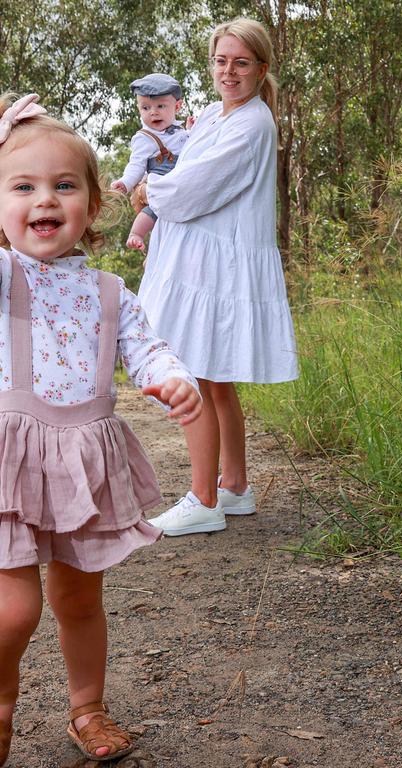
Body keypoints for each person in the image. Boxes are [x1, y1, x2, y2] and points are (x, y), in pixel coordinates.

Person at [0, 92, 202, 767]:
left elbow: (147, 348)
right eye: (24, 187)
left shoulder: (112, 292)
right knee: (12, 612)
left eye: (63, 185)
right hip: (7, 465)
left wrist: (172, 380)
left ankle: (87, 706)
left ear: (90, 205)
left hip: (85, 462)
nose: (45, 200)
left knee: (80, 600)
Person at [141, 18, 298, 536]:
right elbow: (182, 170)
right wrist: (160, 181)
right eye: (221, 60)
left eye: (241, 62)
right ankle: (235, 486)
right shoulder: (213, 114)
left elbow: (190, 190)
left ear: (261, 68)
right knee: (214, 377)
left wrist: (150, 192)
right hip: (201, 260)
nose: (229, 71)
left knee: (194, 374)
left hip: (218, 265)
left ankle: (203, 499)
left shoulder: (253, 123)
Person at [110, 73, 191, 252]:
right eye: (146, 108)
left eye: (160, 106)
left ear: (177, 106)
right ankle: (136, 234)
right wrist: (125, 182)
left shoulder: (180, 131)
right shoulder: (144, 138)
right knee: (152, 211)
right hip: (161, 185)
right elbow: (136, 165)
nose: (153, 112)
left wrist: (192, 130)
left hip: (183, 186)